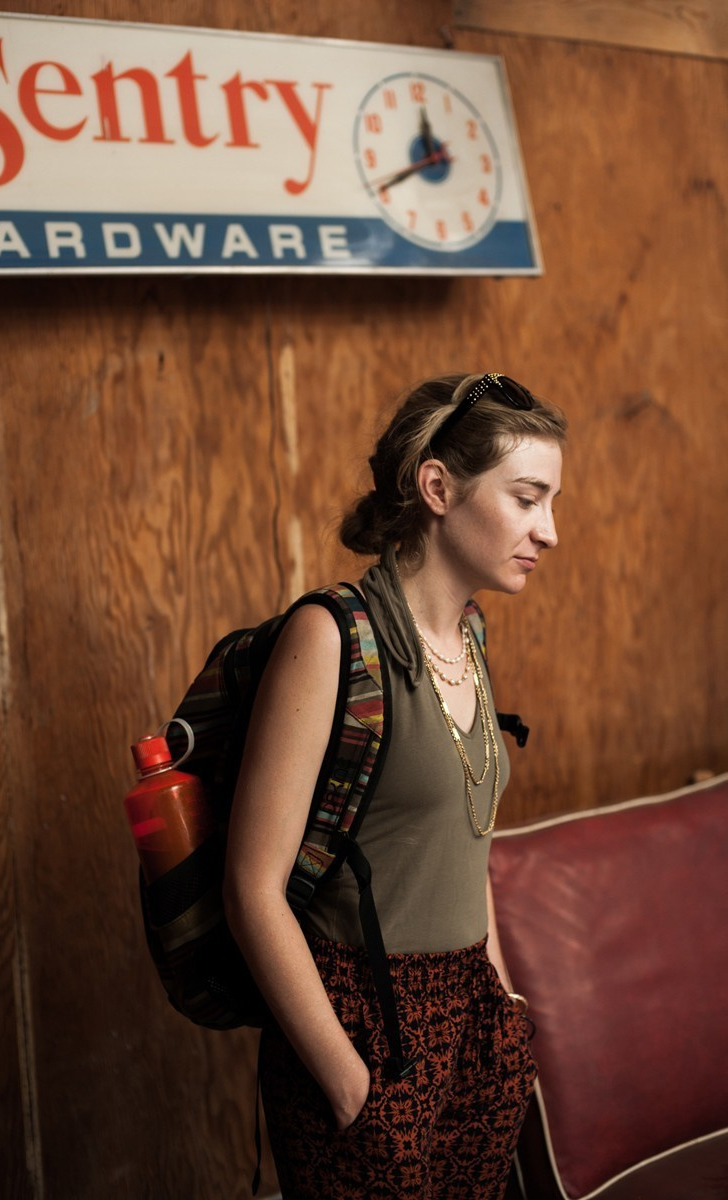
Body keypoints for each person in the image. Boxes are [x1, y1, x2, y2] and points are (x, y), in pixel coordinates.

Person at [223, 371, 567, 1199]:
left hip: (471, 1024)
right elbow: (251, 888)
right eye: (526, 498)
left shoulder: (471, 633)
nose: (548, 530)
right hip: (364, 1029)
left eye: (550, 502)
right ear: (438, 487)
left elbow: (463, 840)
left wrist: (503, 1011)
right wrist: (348, 1084)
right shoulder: (331, 636)